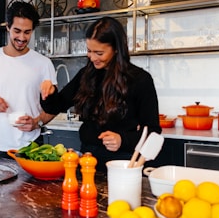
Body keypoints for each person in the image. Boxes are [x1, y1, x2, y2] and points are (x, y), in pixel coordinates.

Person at [40, 16, 161, 173]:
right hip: (87, 162)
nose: (92, 57)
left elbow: (153, 132)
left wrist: (122, 140)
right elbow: (56, 105)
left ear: (116, 49)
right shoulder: (86, 75)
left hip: (123, 164)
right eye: (89, 51)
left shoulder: (140, 80)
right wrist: (48, 92)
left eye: (99, 53)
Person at [0, 0, 57, 158]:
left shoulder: (43, 63)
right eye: (17, 31)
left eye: (27, 32)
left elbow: (53, 107)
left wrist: (37, 122)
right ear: (7, 27)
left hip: (30, 146)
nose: (22, 37)